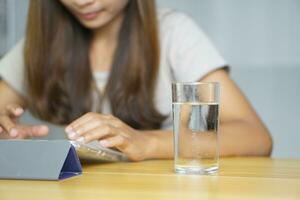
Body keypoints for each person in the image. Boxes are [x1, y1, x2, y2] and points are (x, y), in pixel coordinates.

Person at [0, 0, 272, 161]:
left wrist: (145, 142)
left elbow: (255, 136)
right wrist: (6, 131)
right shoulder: (40, 45)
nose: (82, 1)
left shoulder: (174, 32)